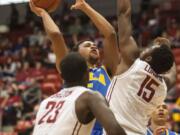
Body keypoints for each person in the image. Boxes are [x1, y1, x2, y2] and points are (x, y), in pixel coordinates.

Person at [29, 0, 119, 134]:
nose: (94, 46)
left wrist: (85, 6)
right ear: (76, 53)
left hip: (107, 128)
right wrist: (42, 13)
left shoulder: (105, 70)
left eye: (94, 45)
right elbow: (56, 36)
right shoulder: (69, 69)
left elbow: (111, 34)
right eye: (87, 45)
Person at [105, 0, 175, 134]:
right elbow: (171, 74)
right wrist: (166, 49)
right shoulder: (163, 87)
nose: (146, 48)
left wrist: (166, 47)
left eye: (150, 48)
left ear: (148, 58)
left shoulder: (132, 63)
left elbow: (124, 13)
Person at [32, 52, 126, 135]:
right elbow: (115, 131)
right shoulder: (89, 97)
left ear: (62, 76)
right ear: (88, 74)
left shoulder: (45, 102)